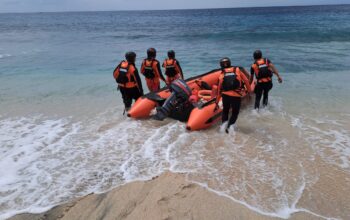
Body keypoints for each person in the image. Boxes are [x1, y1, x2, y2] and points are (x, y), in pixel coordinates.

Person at [216, 57, 252, 133]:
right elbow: (246, 81)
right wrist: (249, 92)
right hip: (236, 96)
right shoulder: (237, 70)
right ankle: (229, 128)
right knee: (235, 112)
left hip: (225, 96)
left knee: (225, 111)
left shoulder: (222, 74)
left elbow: (219, 90)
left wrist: (216, 102)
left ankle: (223, 127)